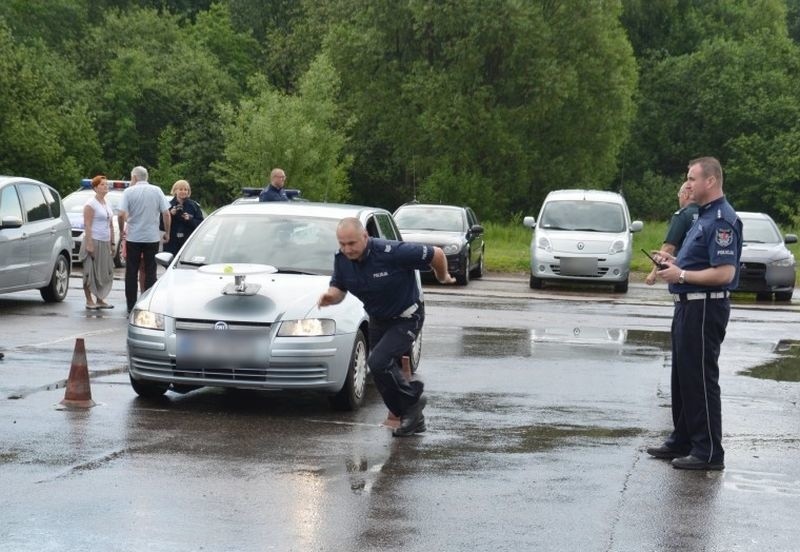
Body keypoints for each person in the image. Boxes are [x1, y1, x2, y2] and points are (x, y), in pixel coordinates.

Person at [317, 218, 456, 437]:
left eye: (351, 243)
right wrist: (330, 297)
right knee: (381, 372)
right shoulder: (342, 260)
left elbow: (436, 254)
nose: (347, 249)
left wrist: (443, 276)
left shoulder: (391, 252)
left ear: (365, 237)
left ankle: (413, 401)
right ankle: (413, 415)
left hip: (407, 316)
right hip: (378, 318)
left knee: (378, 361)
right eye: (342, 244)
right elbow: (339, 288)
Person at [646, 157, 742, 471]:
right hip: (688, 306)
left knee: (700, 377)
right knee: (683, 377)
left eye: (692, 178)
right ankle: (684, 438)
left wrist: (682, 277)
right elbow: (695, 264)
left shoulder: (721, 220)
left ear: (710, 181)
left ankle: (709, 451)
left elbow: (724, 273)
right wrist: (671, 265)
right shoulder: (700, 217)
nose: (687, 185)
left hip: (705, 306)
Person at [118, 166, 171, 314]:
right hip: (151, 237)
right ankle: (148, 304)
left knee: (131, 272)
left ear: (134, 177)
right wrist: (167, 232)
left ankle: (130, 305)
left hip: (133, 237)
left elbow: (121, 214)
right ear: (146, 177)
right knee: (150, 271)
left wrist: (122, 230)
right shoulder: (157, 190)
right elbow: (166, 214)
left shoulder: (129, 192)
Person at [644, 182, 699, 285]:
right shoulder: (708, 213)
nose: (679, 199)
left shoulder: (682, 215)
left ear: (685, 195)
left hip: (683, 270)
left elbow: (668, 247)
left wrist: (653, 273)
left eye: (679, 195)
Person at [79, 175, 115, 310]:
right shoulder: (91, 204)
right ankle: (89, 300)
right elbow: (87, 224)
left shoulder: (107, 203)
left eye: (106, 184)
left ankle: (100, 299)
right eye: (102, 185)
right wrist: (89, 243)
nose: (105, 186)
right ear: (95, 188)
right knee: (90, 271)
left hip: (105, 241)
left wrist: (112, 243)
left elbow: (110, 224)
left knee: (104, 271)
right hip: (93, 240)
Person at [164, 179, 203, 255]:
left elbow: (201, 224)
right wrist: (170, 215)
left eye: (186, 190)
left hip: (188, 242)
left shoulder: (194, 206)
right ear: (175, 191)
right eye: (181, 189)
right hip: (172, 242)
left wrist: (190, 219)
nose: (183, 191)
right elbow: (161, 225)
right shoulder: (168, 205)